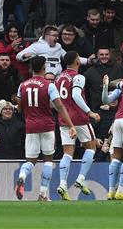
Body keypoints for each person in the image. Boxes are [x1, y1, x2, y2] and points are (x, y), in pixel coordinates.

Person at [15, 56, 76, 201]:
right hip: (47, 125)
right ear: (44, 68)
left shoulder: (22, 85)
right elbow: (59, 105)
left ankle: (22, 176)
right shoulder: (49, 85)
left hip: (30, 126)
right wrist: (71, 125)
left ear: (31, 68)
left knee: (30, 160)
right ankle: (43, 194)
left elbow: (19, 108)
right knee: (48, 159)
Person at [54, 51, 100, 201]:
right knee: (91, 147)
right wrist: (90, 112)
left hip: (64, 119)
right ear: (77, 61)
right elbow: (75, 95)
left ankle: (62, 184)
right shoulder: (78, 77)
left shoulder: (58, 78)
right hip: (79, 118)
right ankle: (80, 179)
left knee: (67, 152)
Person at [16, 25, 94, 81]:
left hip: (57, 79)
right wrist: (24, 56)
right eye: (54, 36)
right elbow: (18, 56)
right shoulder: (37, 46)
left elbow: (69, 58)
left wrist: (87, 61)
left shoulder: (58, 47)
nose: (57, 38)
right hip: (43, 79)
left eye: (57, 36)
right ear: (46, 36)